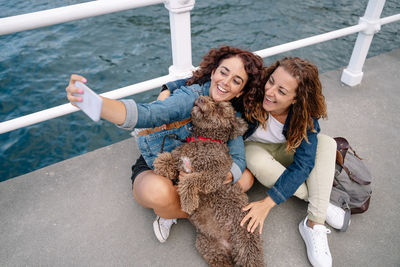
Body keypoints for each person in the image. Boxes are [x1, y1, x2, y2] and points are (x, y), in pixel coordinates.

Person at [66, 45, 264, 243]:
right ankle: (183, 215)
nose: (226, 82)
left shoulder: (232, 115)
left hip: (198, 173)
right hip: (162, 165)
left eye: (236, 81)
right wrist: (93, 102)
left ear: (240, 92)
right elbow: (148, 114)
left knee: (245, 179)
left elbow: (238, 159)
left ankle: (178, 209)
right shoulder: (190, 98)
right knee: (159, 192)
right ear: (213, 72)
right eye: (224, 72)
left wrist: (212, 177)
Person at [238, 57, 341, 267]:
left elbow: (304, 164)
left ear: (296, 99)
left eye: (282, 91)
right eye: (271, 81)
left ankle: (313, 223)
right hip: (255, 149)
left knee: (327, 143)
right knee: (257, 160)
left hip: (286, 150)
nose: (270, 91)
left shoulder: (304, 115)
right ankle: (320, 203)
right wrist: (170, 87)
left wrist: (267, 204)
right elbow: (214, 76)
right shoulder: (254, 91)